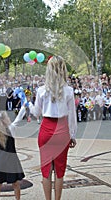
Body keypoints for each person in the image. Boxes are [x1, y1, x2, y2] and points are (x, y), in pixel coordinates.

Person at [29, 56, 77, 200]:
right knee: (60, 170)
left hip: (46, 129)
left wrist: (28, 105)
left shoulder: (42, 90)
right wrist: (72, 135)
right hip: (62, 130)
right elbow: (72, 116)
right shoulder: (68, 90)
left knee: (46, 170)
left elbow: (36, 113)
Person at [0, 105, 27, 200]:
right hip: (12, 160)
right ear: (3, 120)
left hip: (0, 162)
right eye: (7, 117)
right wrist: (23, 108)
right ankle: (18, 199)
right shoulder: (11, 128)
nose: (9, 118)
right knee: (15, 183)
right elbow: (18, 120)